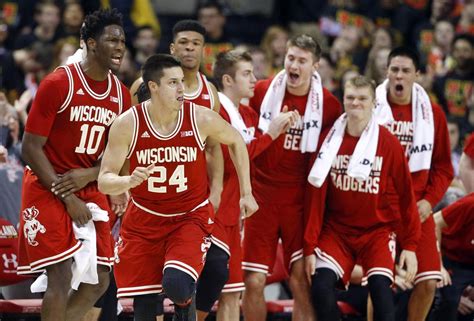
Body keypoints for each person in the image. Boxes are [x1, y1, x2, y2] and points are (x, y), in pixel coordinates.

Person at [98, 54, 258, 321]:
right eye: (173, 82)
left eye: (182, 81)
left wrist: (247, 192)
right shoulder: (127, 124)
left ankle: (186, 308)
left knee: (178, 284)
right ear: (153, 87)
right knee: (145, 310)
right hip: (144, 221)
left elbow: (236, 140)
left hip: (188, 217)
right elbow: (105, 178)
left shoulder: (199, 118)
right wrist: (127, 181)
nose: (182, 88)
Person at [16, 9, 131, 321]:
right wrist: (67, 196)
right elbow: (30, 147)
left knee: (101, 279)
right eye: (111, 40)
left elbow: (119, 157)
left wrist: (89, 175)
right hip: (46, 183)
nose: (120, 46)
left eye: (122, 40)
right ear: (91, 43)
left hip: (88, 185)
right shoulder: (59, 83)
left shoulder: (121, 96)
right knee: (61, 274)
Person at [242, 34, 342, 321]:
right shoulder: (261, 91)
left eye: (301, 60)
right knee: (253, 281)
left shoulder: (330, 106)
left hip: (299, 201)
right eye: (290, 58)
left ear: (316, 66)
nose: (294, 65)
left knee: (301, 280)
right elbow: (246, 144)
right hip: (261, 196)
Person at [304, 76, 420, 321]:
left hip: (377, 231)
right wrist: (309, 246)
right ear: (343, 100)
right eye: (350, 98)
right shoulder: (328, 139)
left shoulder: (388, 142)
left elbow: (406, 197)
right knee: (320, 289)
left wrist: (410, 245)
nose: (356, 103)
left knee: (381, 294)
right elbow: (314, 198)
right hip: (337, 231)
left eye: (362, 98)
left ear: (374, 103)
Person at [196, 50, 297, 321]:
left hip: (235, 216)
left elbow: (258, 162)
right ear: (227, 80)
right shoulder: (215, 114)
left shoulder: (250, 115)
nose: (255, 79)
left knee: (232, 293)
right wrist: (270, 134)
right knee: (205, 292)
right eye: (246, 73)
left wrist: (280, 132)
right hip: (212, 212)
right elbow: (229, 163)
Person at [374, 46, 454, 321]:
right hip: (380, 207)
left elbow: (444, 168)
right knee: (379, 283)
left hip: (417, 208)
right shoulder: (372, 109)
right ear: (386, 72)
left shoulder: (433, 113)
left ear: (417, 75)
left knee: (429, 281)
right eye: (394, 69)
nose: (399, 75)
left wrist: (429, 201)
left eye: (406, 71)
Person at [433, 193, 474, 321]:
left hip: (471, 259)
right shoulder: (470, 203)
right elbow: (434, 222)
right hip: (451, 257)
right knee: (449, 300)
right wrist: (438, 265)